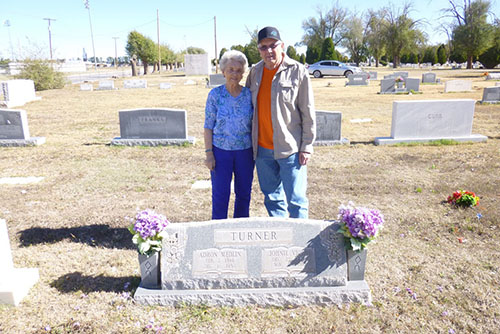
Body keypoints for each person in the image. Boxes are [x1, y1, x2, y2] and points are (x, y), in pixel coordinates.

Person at [245, 26, 315, 219]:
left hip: (290, 148)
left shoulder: (297, 71)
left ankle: (301, 245)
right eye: (263, 47)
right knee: (272, 199)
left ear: (282, 45)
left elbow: (307, 112)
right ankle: (282, 243)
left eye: (272, 45)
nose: (268, 51)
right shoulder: (255, 72)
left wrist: (306, 146)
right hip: (262, 150)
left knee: (296, 201)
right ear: (259, 50)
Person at [204, 50, 254, 220]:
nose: (235, 74)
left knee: (244, 194)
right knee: (220, 194)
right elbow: (208, 126)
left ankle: (239, 230)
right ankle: (217, 231)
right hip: (220, 152)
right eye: (231, 69)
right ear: (223, 71)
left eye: (239, 70)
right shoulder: (215, 95)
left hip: (245, 152)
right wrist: (209, 153)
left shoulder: (249, 95)